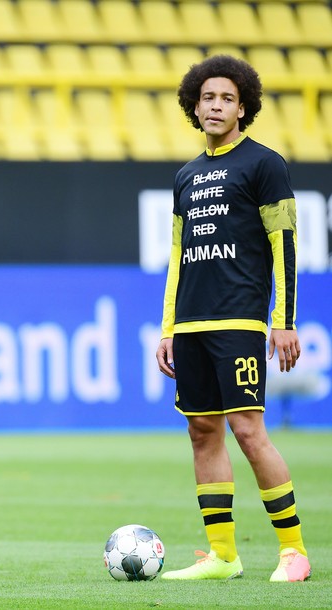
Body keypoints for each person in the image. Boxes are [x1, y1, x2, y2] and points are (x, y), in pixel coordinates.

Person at [155, 55, 309, 582]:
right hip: (191, 325)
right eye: (207, 98)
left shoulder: (264, 164)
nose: (216, 106)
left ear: (244, 107)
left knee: (248, 430)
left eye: (226, 98)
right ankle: (223, 556)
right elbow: (178, 258)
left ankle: (294, 552)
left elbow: (284, 243)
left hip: (239, 321)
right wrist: (167, 328)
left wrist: (283, 319)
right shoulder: (186, 176)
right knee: (202, 431)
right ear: (193, 108)